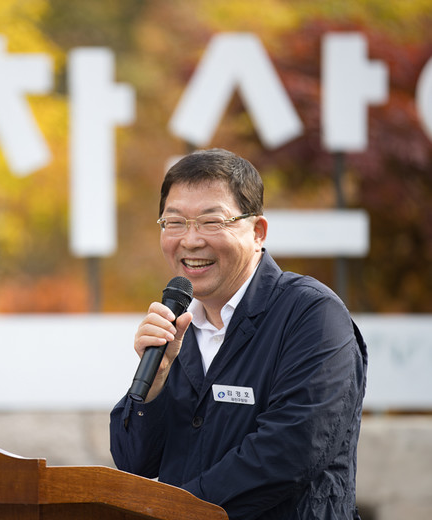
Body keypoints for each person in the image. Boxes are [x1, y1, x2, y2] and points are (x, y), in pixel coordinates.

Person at [110, 148, 368, 520]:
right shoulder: (177, 326)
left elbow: (287, 453)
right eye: (174, 222)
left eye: (211, 222)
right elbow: (133, 461)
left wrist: (175, 511)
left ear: (257, 231)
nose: (191, 240)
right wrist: (155, 383)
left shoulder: (312, 316)